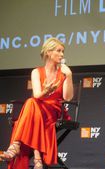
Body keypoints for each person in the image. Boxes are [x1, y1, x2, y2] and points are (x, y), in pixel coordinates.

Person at [0, 37, 74, 169]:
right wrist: (46, 90)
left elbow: (67, 98)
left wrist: (69, 75)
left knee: (31, 103)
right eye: (59, 51)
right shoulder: (36, 72)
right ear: (48, 53)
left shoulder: (63, 74)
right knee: (32, 102)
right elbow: (37, 95)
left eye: (63, 51)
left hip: (54, 110)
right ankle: (37, 158)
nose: (62, 54)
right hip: (38, 110)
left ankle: (16, 145)